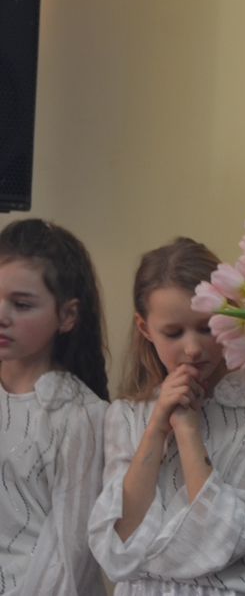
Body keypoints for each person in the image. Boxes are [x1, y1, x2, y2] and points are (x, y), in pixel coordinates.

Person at [88, 238, 245, 596]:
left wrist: (187, 430)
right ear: (145, 328)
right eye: (173, 333)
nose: (192, 348)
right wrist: (157, 426)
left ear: (231, 316)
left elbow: (226, 538)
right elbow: (117, 546)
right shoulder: (125, 414)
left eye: (206, 327)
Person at [0, 219, 109, 596]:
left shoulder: (81, 415)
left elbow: (71, 557)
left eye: (21, 304)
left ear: (67, 316)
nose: (2, 315)